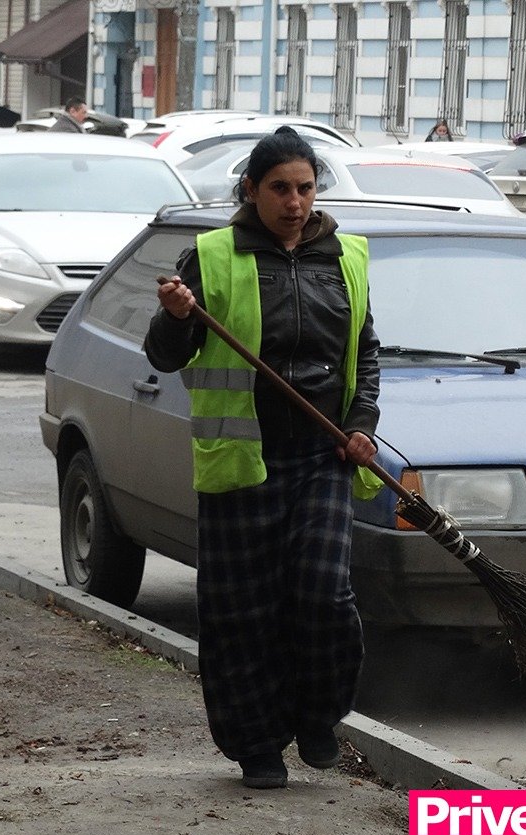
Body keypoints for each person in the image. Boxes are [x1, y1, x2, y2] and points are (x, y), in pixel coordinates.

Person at [145, 126, 382, 790]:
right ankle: (256, 744)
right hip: (242, 461)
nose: (295, 202)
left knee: (324, 594)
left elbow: (366, 356)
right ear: (251, 189)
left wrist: (360, 423)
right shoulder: (213, 256)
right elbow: (166, 355)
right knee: (242, 611)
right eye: (280, 188)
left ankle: (317, 717)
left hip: (321, 459)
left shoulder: (347, 256)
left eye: (306, 188)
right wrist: (177, 317)